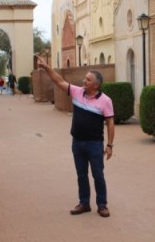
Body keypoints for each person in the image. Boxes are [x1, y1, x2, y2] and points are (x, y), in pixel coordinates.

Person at [36, 56, 115, 217]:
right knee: (81, 174)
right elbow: (58, 81)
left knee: (98, 175)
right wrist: (46, 67)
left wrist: (110, 145)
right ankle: (84, 203)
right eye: (85, 78)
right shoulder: (77, 92)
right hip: (77, 142)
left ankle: (102, 205)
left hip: (94, 144)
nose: (84, 81)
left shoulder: (105, 101)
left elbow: (110, 123)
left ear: (96, 85)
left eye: (88, 79)